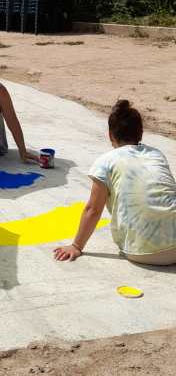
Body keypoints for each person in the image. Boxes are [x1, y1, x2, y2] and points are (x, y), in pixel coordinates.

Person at [54, 99, 176, 265]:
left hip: (143, 252)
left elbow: (93, 210)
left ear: (110, 135)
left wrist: (76, 246)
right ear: (140, 134)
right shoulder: (156, 154)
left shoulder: (106, 161)